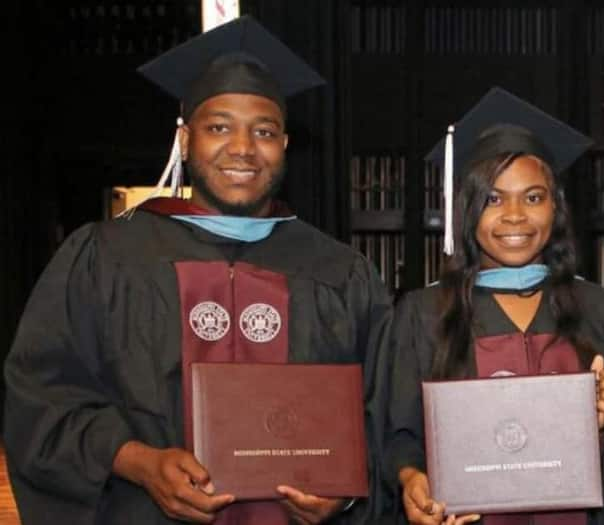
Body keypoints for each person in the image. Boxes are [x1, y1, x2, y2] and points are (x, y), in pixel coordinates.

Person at [4, 16, 393, 525]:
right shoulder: (107, 259)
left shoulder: (341, 273)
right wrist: (136, 461)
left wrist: (343, 494)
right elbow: (42, 399)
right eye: (219, 127)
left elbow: (386, 418)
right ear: (185, 140)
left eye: (264, 131)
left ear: (285, 146)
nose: (242, 149)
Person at [383, 87, 604, 525]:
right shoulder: (423, 313)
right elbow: (400, 433)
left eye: (533, 197)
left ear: (556, 208)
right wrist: (412, 478)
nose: (515, 215)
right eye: (493, 199)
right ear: (466, 210)